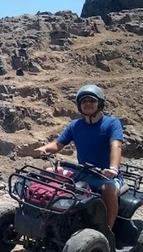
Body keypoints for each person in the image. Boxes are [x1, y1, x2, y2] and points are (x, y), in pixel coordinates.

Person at [34, 84, 124, 230]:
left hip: (105, 176)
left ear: (99, 103)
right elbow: (58, 144)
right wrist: (44, 148)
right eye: (84, 102)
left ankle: (107, 230)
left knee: (109, 189)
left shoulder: (112, 123)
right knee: (48, 172)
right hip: (82, 172)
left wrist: (113, 168)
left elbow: (116, 146)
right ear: (79, 106)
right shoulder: (76, 125)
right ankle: (46, 216)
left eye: (92, 101)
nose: (88, 104)